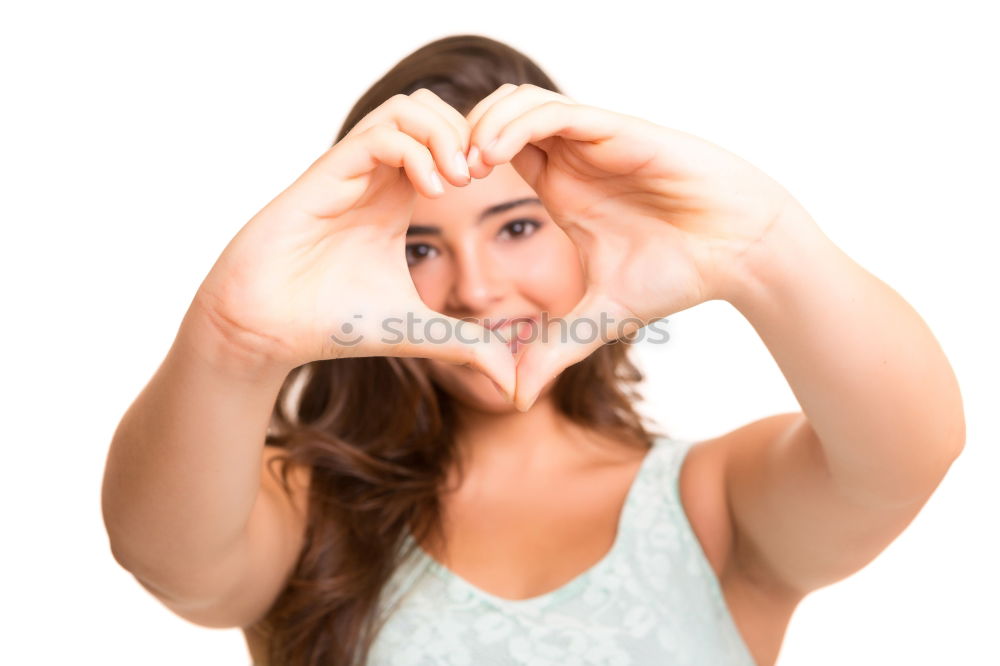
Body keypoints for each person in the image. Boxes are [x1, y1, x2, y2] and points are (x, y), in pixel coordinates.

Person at [101, 34, 966, 666]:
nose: (475, 290)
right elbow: (166, 559)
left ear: (580, 229)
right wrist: (233, 338)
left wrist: (763, 246)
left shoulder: (712, 503)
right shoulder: (300, 508)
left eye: (515, 226)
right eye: (420, 246)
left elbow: (908, 453)